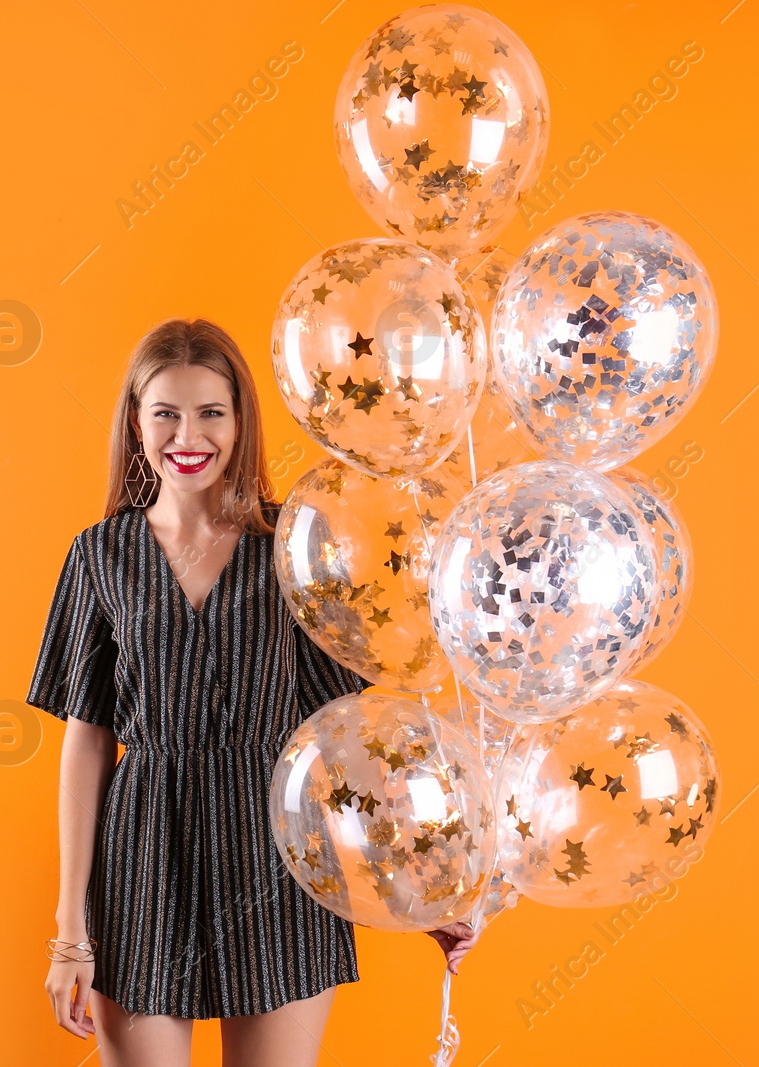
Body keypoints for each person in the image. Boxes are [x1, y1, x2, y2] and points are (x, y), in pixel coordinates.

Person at [28, 318, 475, 1066]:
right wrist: (70, 929)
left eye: (211, 411)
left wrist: (418, 886)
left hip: (279, 860)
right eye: (165, 412)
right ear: (136, 422)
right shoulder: (99, 554)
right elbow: (87, 740)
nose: (187, 434)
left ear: (241, 422)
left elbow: (348, 734)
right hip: (142, 858)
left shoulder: (296, 548)